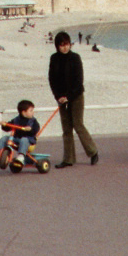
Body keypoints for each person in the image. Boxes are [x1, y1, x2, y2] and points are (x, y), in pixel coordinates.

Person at [48, 30, 98, 168]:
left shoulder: (75, 58)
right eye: (62, 45)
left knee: (77, 124)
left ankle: (93, 151)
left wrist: (68, 97)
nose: (65, 47)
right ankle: (68, 159)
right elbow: (52, 79)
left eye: (67, 44)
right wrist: (58, 96)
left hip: (76, 96)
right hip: (61, 98)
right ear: (57, 46)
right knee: (66, 128)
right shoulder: (54, 58)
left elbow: (79, 81)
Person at [0, 99, 42, 171]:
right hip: (16, 139)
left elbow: (36, 129)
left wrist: (30, 129)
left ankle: (21, 156)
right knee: (5, 138)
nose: (33, 112)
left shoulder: (33, 121)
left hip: (28, 141)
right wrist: (5, 125)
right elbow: (9, 127)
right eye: (31, 110)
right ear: (24, 112)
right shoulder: (16, 120)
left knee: (24, 139)